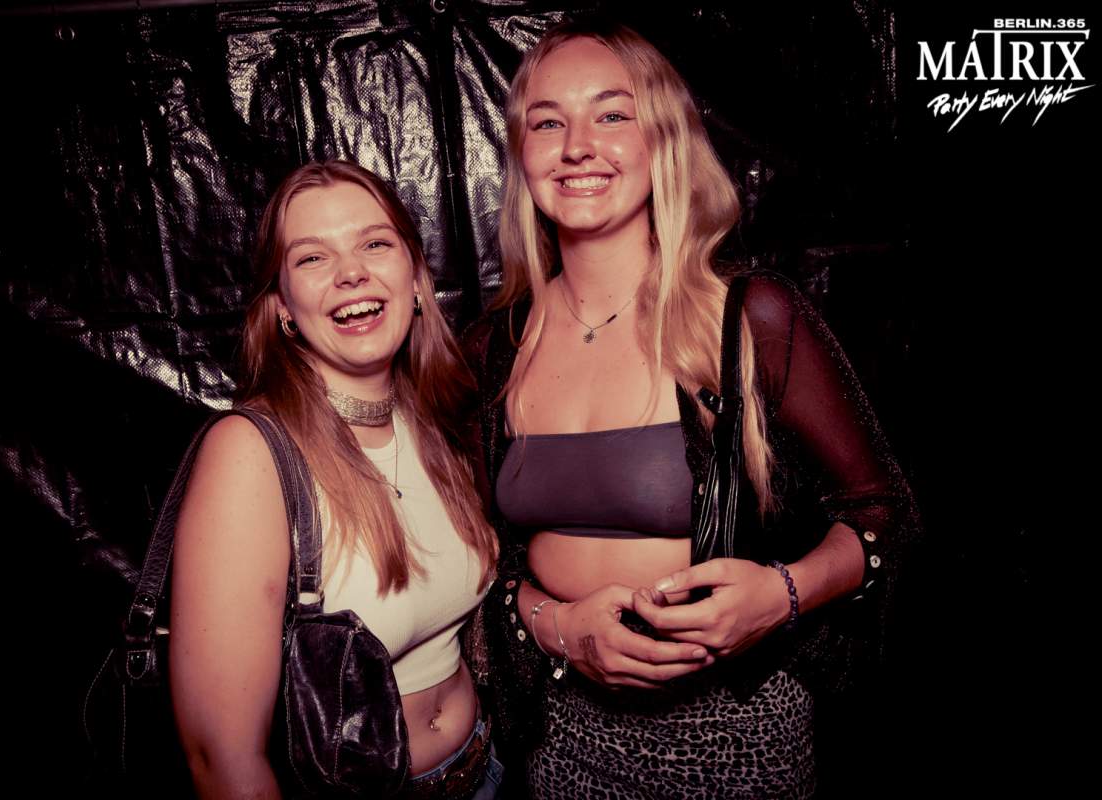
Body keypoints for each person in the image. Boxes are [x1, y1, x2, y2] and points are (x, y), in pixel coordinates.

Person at [462, 19, 918, 799]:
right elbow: (486, 560)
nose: (577, 146)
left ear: (663, 138)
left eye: (612, 113)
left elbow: (884, 511)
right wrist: (558, 627)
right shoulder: (494, 347)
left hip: (739, 730)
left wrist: (782, 595)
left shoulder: (748, 319)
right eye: (547, 122)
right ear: (521, 154)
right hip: (563, 729)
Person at [169, 161, 503, 799]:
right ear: (283, 309)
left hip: (487, 771)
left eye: (375, 244)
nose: (352, 273)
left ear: (416, 280)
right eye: (312, 258)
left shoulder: (432, 419)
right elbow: (220, 756)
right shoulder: (249, 454)